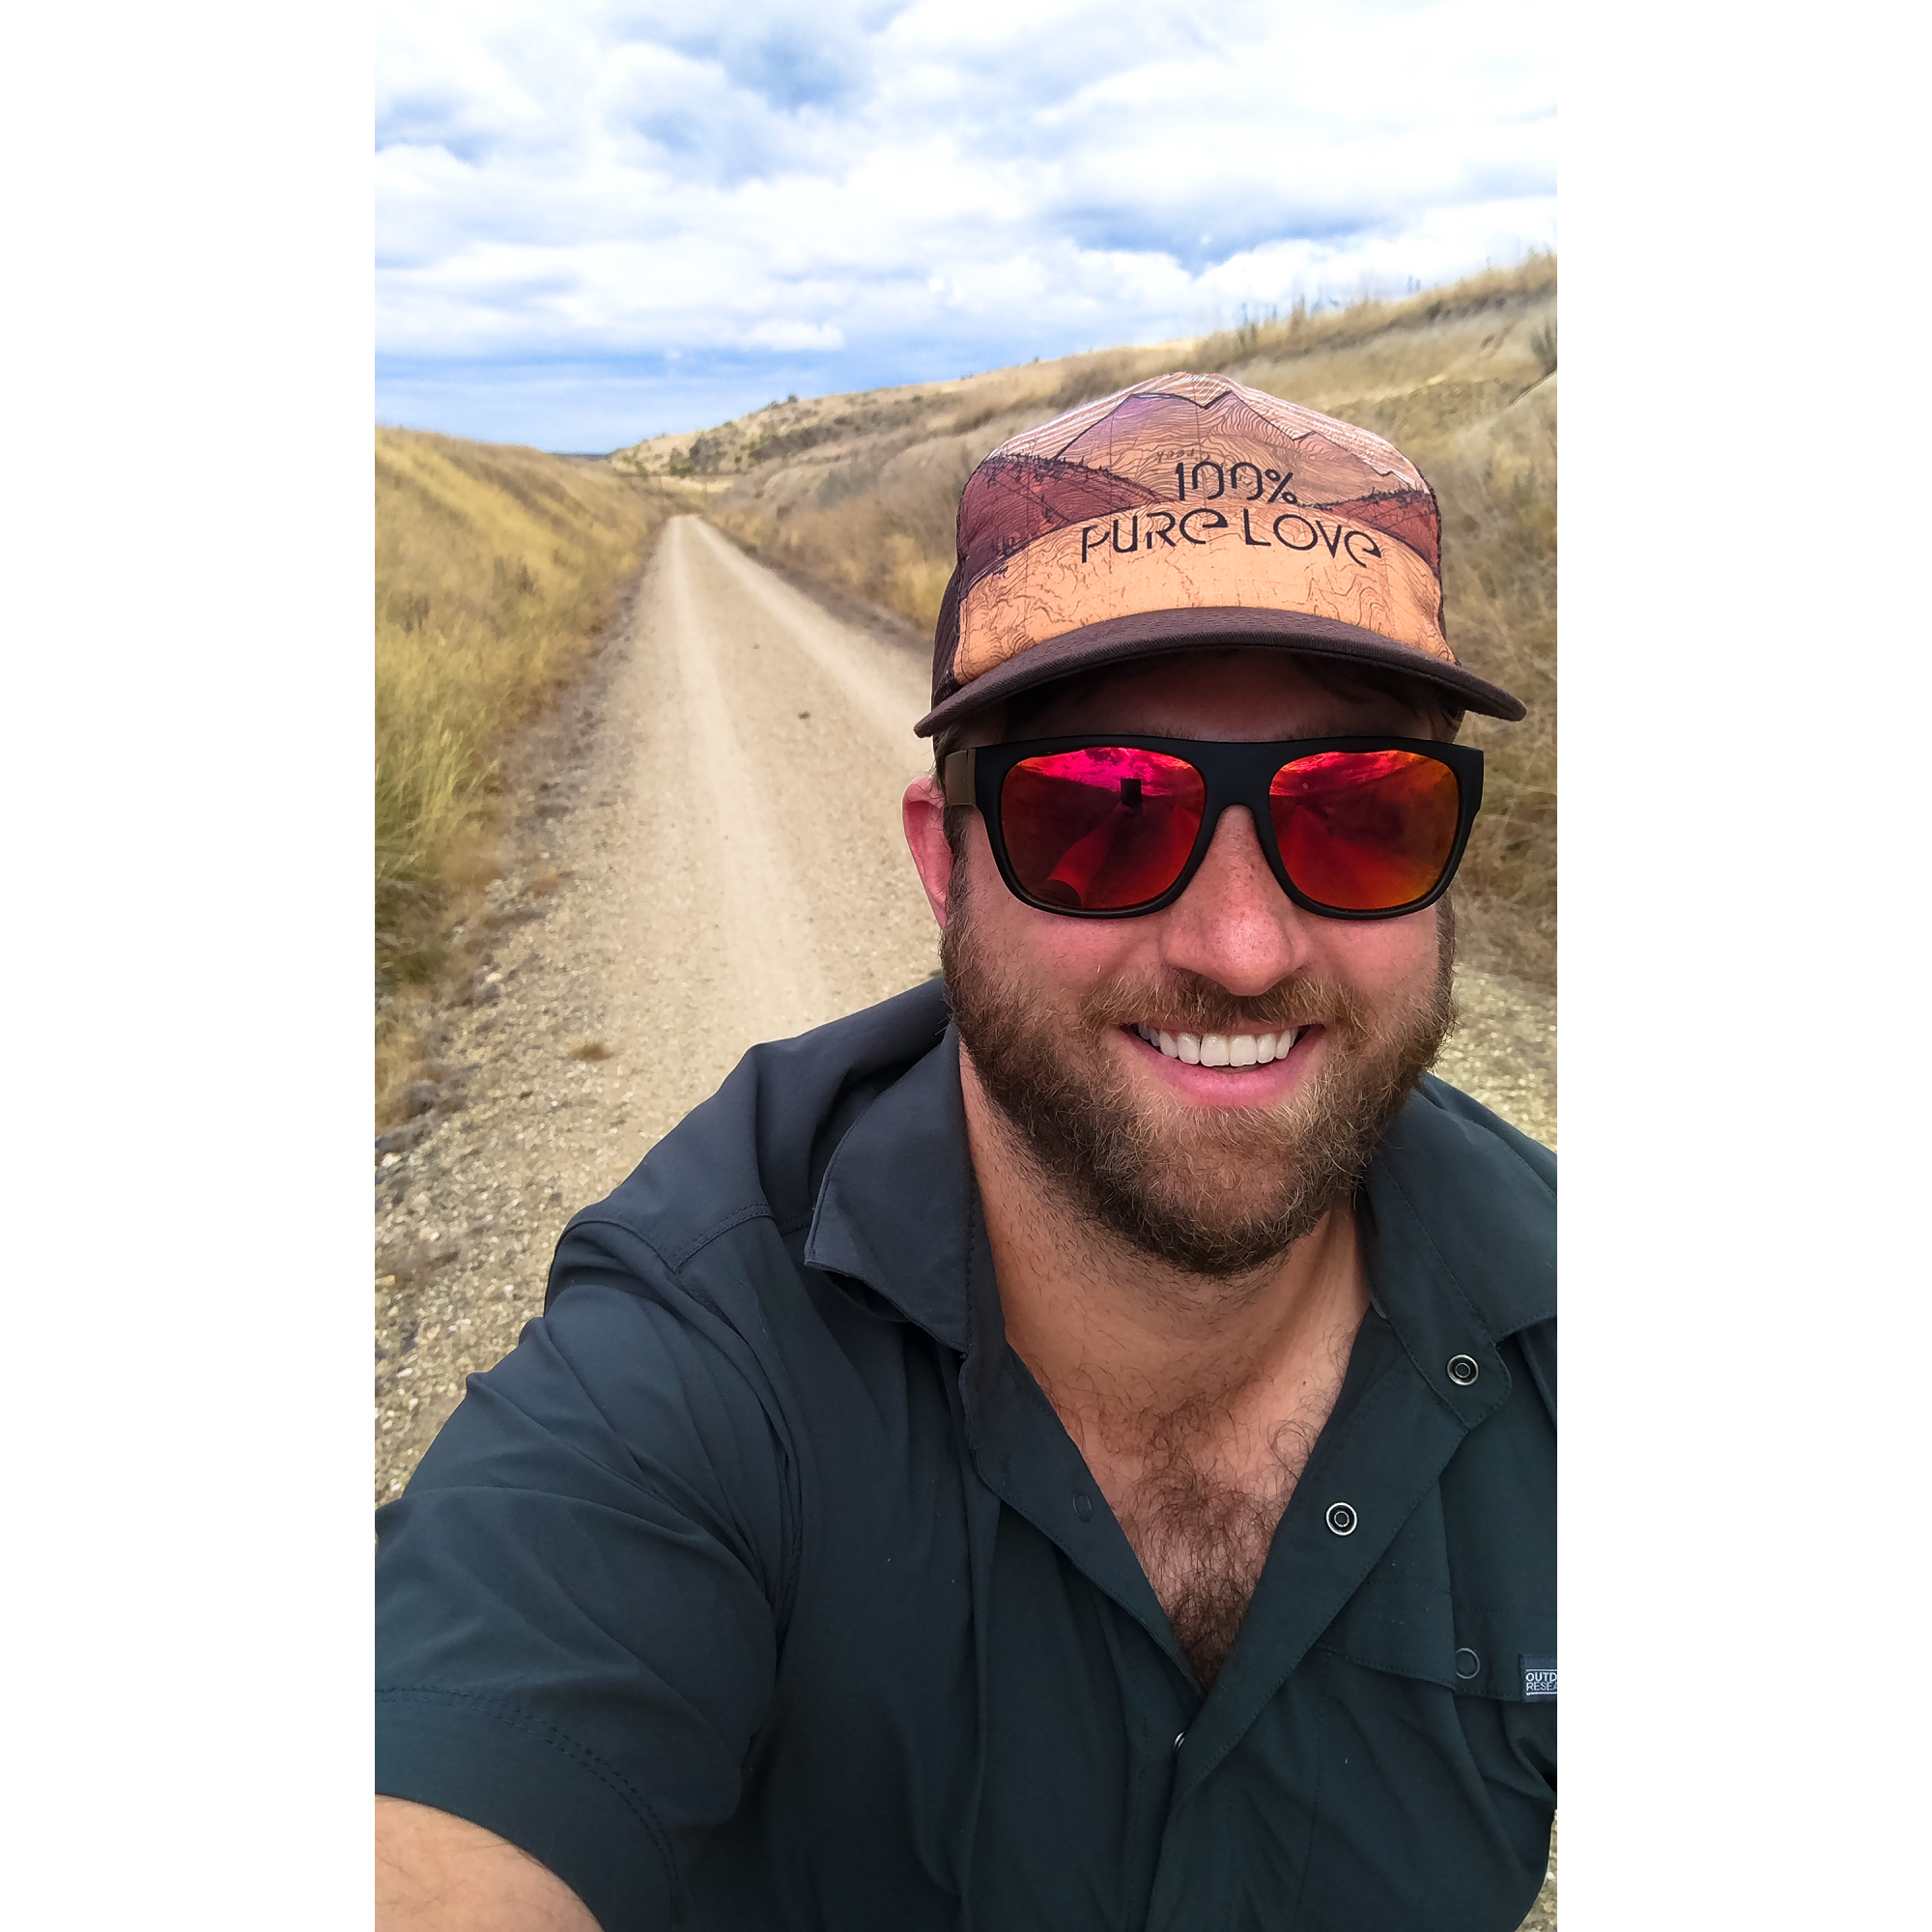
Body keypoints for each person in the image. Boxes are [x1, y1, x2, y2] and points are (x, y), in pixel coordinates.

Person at [375, 372, 1557, 1932]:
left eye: (1358, 815)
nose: (1247, 946)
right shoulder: (695, 1364)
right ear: (947, 866)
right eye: (1104, 815)